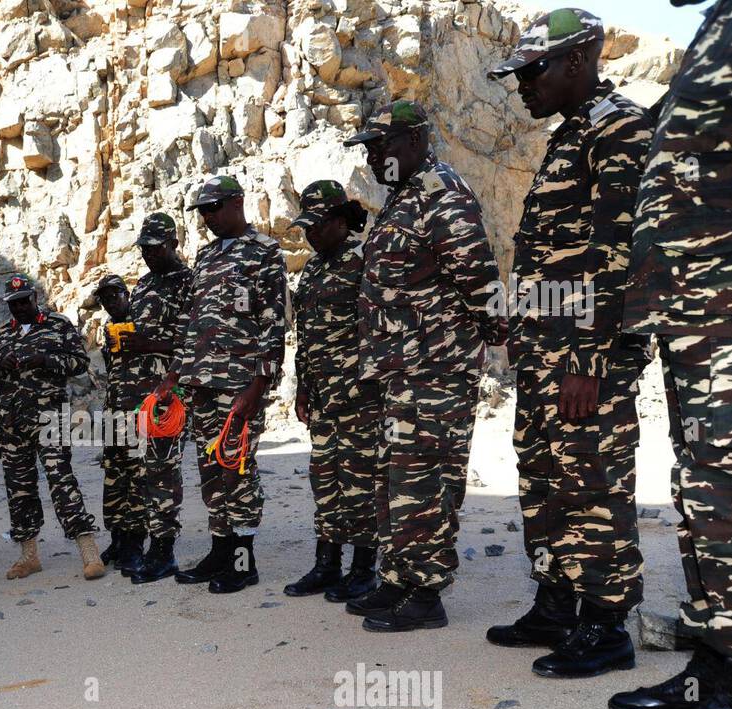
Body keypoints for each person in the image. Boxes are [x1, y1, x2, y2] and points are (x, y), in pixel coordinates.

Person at [485, 8, 653, 677]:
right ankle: (557, 602)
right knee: (545, 479)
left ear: (579, 60)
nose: (523, 84)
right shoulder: (572, 133)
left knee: (592, 479)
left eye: (534, 70)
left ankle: (607, 625)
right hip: (545, 352)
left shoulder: (618, 129)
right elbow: (557, 255)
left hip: (585, 357)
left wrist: (592, 360)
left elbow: (618, 254)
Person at [609, 0, 732, 709]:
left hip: (729, 304)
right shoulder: (721, 23)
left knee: (730, 484)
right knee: (704, 492)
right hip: (695, 310)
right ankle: (719, 664)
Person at [345, 100, 504, 631]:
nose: (371, 156)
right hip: (402, 371)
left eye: (379, 145)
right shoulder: (403, 197)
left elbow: (480, 280)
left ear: (413, 141)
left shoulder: (440, 194)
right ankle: (396, 578)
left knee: (425, 480)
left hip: (436, 370)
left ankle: (425, 593)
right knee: (395, 479)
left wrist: (485, 338)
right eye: (366, 148)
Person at [152, 175, 288, 594]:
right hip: (200, 384)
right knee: (210, 468)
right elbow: (192, 325)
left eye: (214, 207)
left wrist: (257, 386)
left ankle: (243, 562)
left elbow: (275, 325)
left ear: (237, 203)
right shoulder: (207, 256)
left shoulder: (264, 252)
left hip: (240, 383)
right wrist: (174, 375)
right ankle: (220, 551)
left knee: (237, 467)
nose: (208, 217)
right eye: (202, 211)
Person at [281, 181, 382, 603]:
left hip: (360, 397)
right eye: (306, 227)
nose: (311, 235)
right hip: (322, 395)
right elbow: (306, 336)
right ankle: (327, 564)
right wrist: (303, 386)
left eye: (318, 225)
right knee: (325, 480)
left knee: (360, 480)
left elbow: (380, 329)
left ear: (342, 221)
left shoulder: (365, 260)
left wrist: (371, 382)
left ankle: (363, 569)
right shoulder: (315, 268)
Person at [0, 274, 106, 580]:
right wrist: (1, 365)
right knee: (18, 489)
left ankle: (89, 552)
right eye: (13, 304)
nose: (19, 308)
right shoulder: (0, 334)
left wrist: (43, 359)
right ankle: (29, 556)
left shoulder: (57, 324)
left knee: (62, 481)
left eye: (24, 302)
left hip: (50, 419)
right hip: (12, 423)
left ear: (35, 298)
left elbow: (78, 362)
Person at [95, 212, 193, 584]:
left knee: (160, 472)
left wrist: (149, 345)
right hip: (128, 394)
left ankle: (163, 549)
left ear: (173, 244)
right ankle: (128, 540)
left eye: (155, 248)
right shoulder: (147, 284)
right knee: (123, 471)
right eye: (144, 249)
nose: (148, 255)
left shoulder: (188, 283)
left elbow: (194, 342)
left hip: (164, 395)